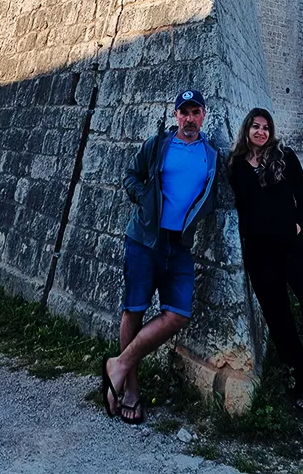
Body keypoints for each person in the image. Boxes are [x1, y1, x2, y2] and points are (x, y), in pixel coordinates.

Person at [102, 89, 219, 424]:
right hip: (144, 239)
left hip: (179, 245)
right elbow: (131, 175)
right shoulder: (158, 145)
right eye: (184, 112)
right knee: (134, 309)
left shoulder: (211, 156)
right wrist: (145, 198)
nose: (189, 119)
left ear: (203, 115)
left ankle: (119, 363)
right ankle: (131, 390)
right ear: (175, 115)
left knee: (178, 313)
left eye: (195, 112)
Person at [228, 108, 303, 414]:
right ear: (246, 130)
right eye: (255, 126)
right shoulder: (236, 166)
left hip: (292, 247)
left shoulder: (284, 157)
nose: (261, 131)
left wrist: (297, 225)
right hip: (261, 254)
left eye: (265, 127)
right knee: (280, 319)